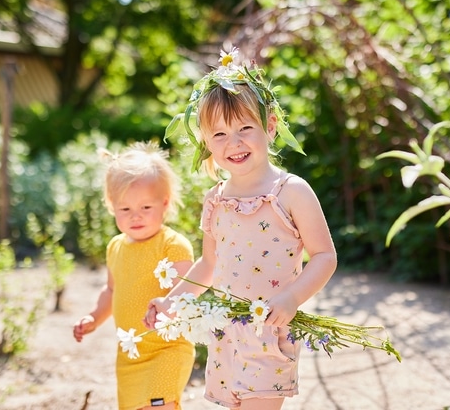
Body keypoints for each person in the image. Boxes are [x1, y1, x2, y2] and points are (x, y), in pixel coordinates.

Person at [144, 47, 338, 410]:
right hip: (227, 331)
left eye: (245, 128)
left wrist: (292, 298)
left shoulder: (291, 191)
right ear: (205, 142)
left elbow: (325, 256)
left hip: (270, 329)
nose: (233, 142)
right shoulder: (216, 199)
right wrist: (170, 302)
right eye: (219, 134)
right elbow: (208, 265)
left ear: (270, 126)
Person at [73, 141, 196, 410]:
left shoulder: (172, 245)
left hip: (167, 349)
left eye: (146, 208)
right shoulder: (116, 247)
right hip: (130, 353)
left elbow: (187, 294)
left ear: (164, 204)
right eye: (125, 209)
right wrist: (94, 318)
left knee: (159, 405)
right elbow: (111, 291)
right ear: (111, 206)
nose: (135, 216)